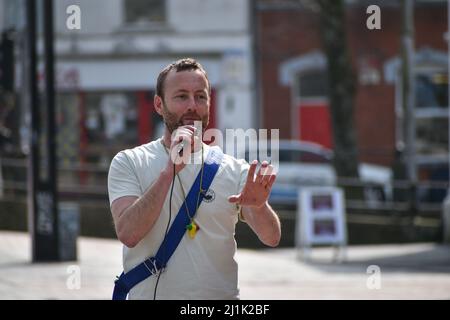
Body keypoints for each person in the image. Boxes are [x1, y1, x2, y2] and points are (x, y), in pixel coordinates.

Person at [108, 58, 281, 300]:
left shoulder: (231, 168)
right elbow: (128, 233)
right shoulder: (129, 161)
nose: (193, 106)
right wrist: (169, 172)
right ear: (159, 104)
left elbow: (271, 237)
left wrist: (259, 206)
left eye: (201, 97)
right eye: (181, 96)